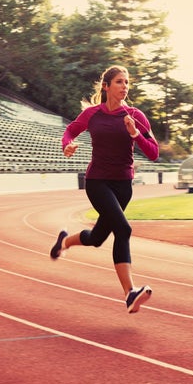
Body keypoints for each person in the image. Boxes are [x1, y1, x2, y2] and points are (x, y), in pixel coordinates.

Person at [50, 65, 159, 313]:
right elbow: (70, 131)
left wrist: (135, 135)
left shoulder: (135, 115)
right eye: (119, 82)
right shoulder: (92, 114)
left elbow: (153, 153)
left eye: (127, 82)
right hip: (97, 181)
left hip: (123, 186)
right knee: (123, 228)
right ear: (106, 86)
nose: (125, 87)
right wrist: (67, 145)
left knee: (98, 238)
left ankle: (64, 242)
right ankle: (130, 293)